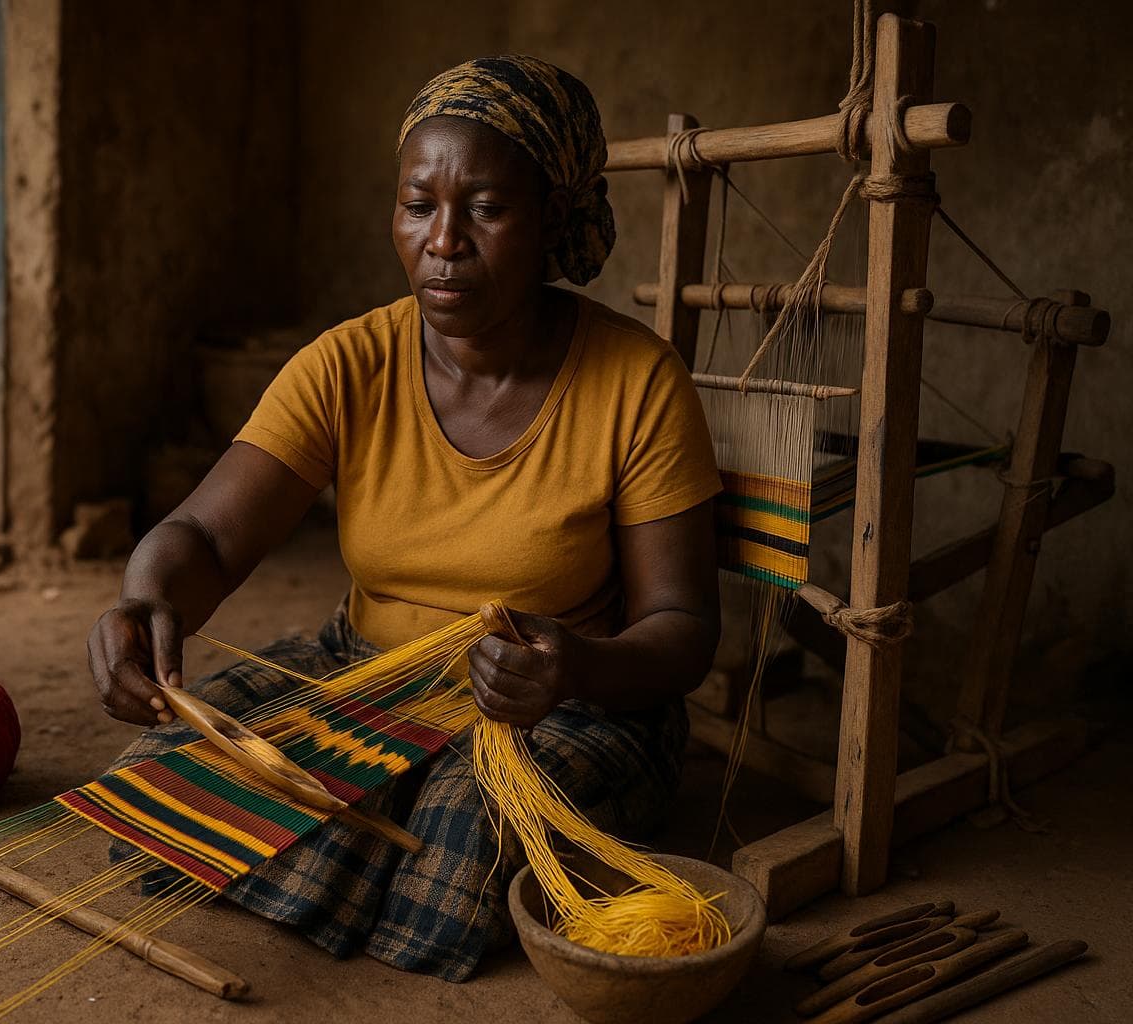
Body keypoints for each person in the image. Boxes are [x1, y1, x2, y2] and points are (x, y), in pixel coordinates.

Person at [86, 55, 722, 981]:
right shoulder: (350, 364)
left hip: (566, 704)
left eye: (488, 209)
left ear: (554, 219)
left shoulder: (637, 383)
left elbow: (683, 630)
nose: (444, 241)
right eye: (419, 205)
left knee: (457, 837)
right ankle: (369, 856)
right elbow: (206, 538)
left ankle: (384, 862)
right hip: (367, 670)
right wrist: (145, 599)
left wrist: (573, 667)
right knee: (167, 770)